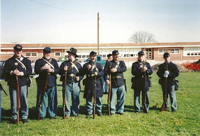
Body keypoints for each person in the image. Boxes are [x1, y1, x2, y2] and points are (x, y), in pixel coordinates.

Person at [3, 44, 32, 124]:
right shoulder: (9, 61)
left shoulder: (26, 61)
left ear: (21, 51)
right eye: (16, 51)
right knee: (14, 101)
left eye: (19, 51)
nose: (18, 52)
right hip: (13, 84)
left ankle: (24, 116)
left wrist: (22, 73)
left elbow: (30, 71)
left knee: (24, 100)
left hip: (23, 83)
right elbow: (4, 71)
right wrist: (12, 72)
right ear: (14, 51)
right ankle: (14, 117)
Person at [35, 47, 59, 120]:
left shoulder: (54, 61)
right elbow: (36, 71)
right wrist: (43, 68)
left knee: (52, 99)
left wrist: (52, 70)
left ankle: (52, 114)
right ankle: (42, 114)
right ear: (43, 53)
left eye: (49, 52)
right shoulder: (39, 61)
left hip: (52, 82)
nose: (47, 54)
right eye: (46, 52)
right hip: (42, 82)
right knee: (42, 99)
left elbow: (58, 70)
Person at [59, 48, 82, 118]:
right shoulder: (64, 63)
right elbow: (59, 72)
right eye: (69, 54)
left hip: (75, 83)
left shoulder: (78, 64)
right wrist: (63, 70)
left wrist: (80, 78)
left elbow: (82, 74)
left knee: (76, 99)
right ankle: (67, 113)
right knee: (66, 99)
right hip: (67, 83)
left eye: (71, 54)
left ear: (74, 55)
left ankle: (75, 112)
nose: (69, 55)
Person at [81, 51, 104, 117]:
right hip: (89, 82)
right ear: (89, 57)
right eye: (92, 56)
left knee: (98, 98)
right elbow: (82, 73)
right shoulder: (86, 65)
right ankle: (89, 111)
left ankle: (99, 111)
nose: (93, 57)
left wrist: (98, 74)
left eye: (94, 56)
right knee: (89, 97)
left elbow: (102, 72)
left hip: (97, 82)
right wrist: (86, 68)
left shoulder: (98, 65)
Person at [104, 50, 127, 115]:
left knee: (121, 98)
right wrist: (106, 79)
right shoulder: (109, 63)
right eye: (114, 55)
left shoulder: (121, 62)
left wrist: (117, 70)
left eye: (117, 55)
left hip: (121, 82)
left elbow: (124, 68)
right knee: (112, 98)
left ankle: (120, 110)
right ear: (113, 56)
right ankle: (112, 110)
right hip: (113, 82)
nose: (116, 56)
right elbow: (105, 72)